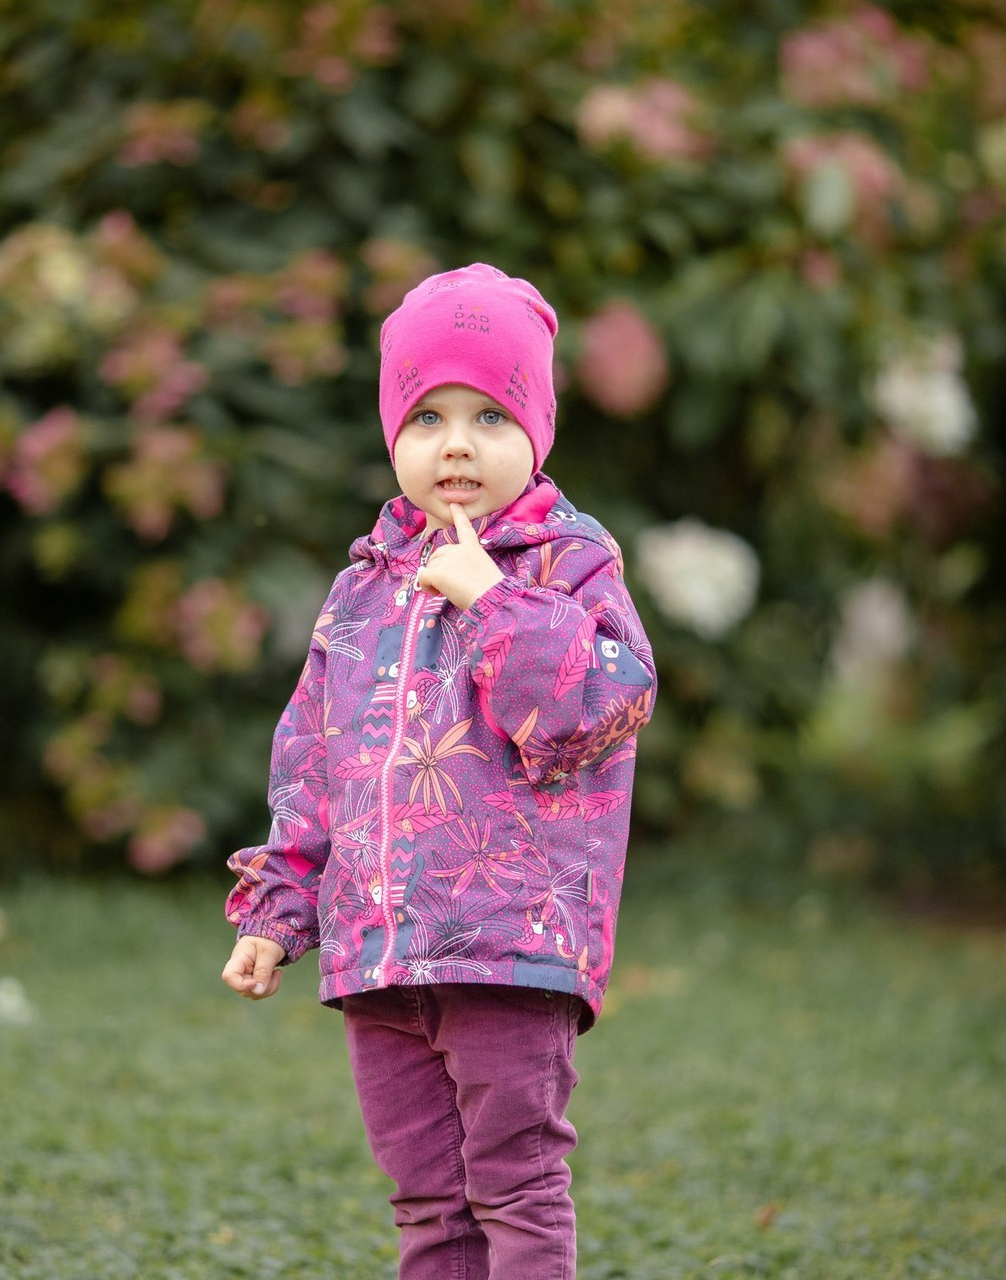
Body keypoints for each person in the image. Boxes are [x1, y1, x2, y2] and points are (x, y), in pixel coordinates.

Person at [222, 262, 656, 1280]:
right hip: (379, 954)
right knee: (426, 1200)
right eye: (425, 416)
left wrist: (489, 599)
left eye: (489, 416)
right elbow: (312, 756)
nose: (455, 442)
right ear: (392, 433)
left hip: (508, 949)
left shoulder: (567, 562)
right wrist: (278, 905)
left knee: (512, 1183)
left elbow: (600, 706)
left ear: (536, 430)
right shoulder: (361, 585)